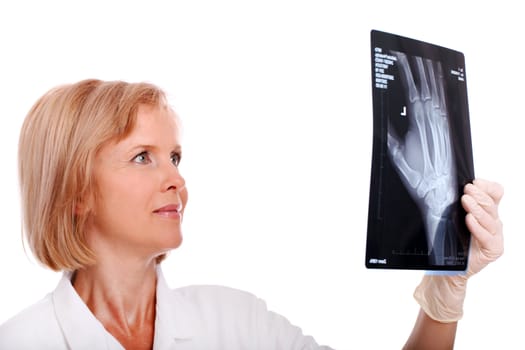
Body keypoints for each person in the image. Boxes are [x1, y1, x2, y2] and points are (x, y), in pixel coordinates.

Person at [0, 79, 504, 349]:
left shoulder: (234, 322)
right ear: (75, 193)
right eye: (141, 157)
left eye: (175, 157)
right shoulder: (24, 342)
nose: (175, 179)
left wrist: (444, 294)